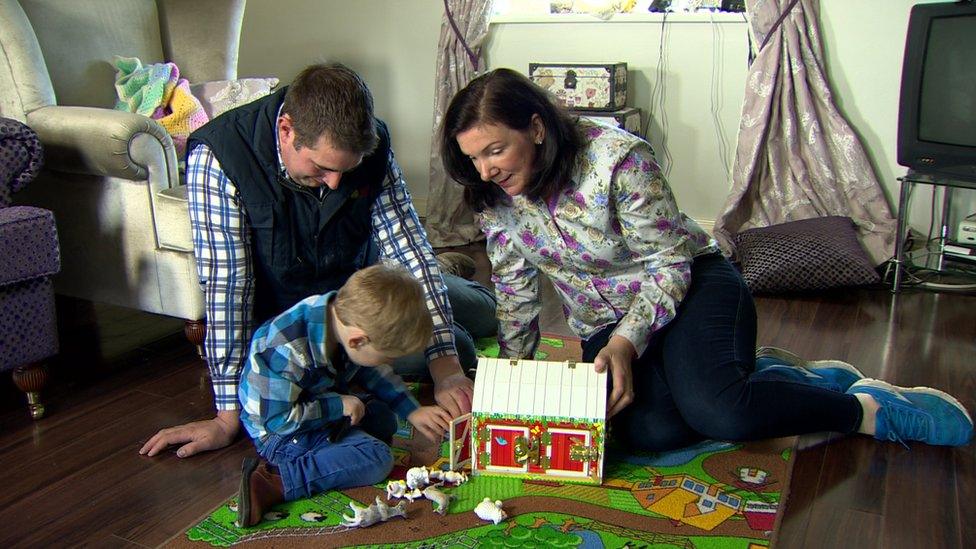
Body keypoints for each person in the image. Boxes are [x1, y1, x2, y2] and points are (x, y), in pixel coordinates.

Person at [438, 68, 973, 451]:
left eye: (494, 151)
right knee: (648, 431)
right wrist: (510, 383)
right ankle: (767, 375)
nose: (485, 172)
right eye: (472, 159)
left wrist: (627, 343)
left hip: (693, 289)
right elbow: (514, 295)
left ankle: (866, 410)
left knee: (722, 412)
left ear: (535, 128)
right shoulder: (495, 201)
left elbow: (670, 264)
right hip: (607, 322)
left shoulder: (618, 159)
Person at [140, 63, 495, 459]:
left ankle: (447, 274)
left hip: (362, 290)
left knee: (481, 316)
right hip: (305, 323)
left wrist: (445, 370)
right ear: (287, 130)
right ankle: (445, 287)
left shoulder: (370, 145)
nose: (335, 184)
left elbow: (409, 248)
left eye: (347, 170)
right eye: (322, 168)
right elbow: (228, 287)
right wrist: (226, 416)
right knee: (460, 344)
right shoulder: (219, 157)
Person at [235, 264, 452, 527]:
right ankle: (276, 480)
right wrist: (338, 406)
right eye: (386, 356)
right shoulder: (287, 349)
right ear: (358, 341)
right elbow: (277, 419)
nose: (388, 362)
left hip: (314, 409)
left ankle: (342, 447)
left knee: (384, 419)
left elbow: (373, 372)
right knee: (377, 459)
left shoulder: (345, 318)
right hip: (280, 433)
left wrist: (412, 409)